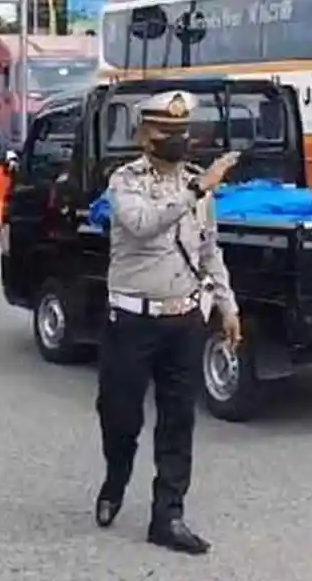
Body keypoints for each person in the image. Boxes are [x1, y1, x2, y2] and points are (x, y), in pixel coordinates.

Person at [95, 90, 243, 555]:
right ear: (144, 135)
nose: (177, 139)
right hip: (132, 321)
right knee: (120, 416)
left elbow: (209, 250)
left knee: (178, 421)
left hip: (184, 319)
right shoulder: (125, 181)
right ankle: (116, 478)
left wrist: (227, 306)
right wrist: (197, 190)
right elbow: (142, 225)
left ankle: (168, 516)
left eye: (182, 131)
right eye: (166, 131)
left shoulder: (197, 184)